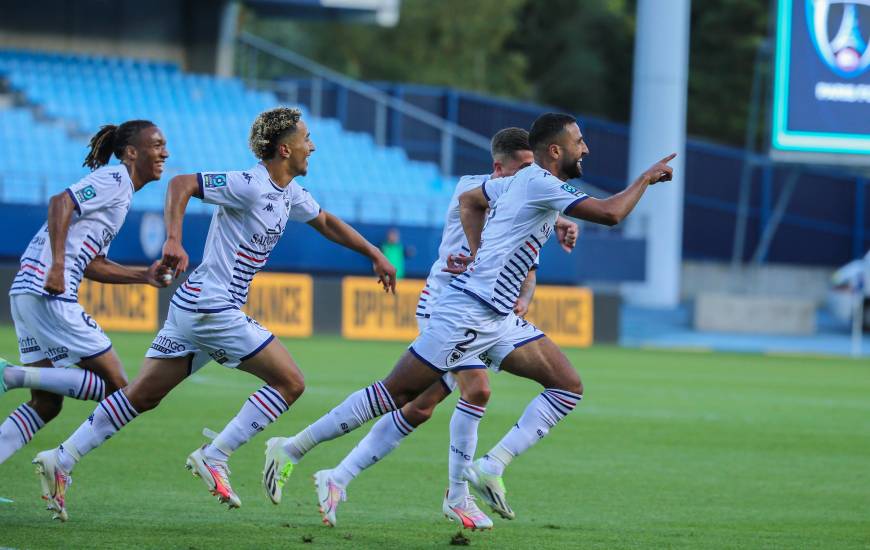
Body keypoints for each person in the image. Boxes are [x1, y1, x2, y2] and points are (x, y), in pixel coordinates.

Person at [31, 107, 396, 522]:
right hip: (212, 306)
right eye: (306, 139)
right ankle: (216, 455)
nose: (312, 146)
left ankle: (62, 458)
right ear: (283, 148)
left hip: (194, 308)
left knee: (142, 396)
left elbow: (326, 221)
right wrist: (174, 238)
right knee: (290, 382)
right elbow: (182, 183)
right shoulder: (250, 184)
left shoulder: (289, 193)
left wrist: (374, 254)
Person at [261, 121, 610, 530]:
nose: (532, 175)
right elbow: (497, 202)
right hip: (449, 305)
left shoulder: (528, 192)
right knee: (471, 390)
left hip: (491, 313)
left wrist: (559, 223)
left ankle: (338, 476)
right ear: (500, 168)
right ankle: (459, 495)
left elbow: (529, 261)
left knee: (420, 406)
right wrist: (559, 212)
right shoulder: (479, 187)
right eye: (523, 167)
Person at [452, 113, 675, 522]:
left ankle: (490, 466)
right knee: (405, 397)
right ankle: (311, 456)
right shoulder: (537, 180)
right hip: (470, 309)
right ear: (555, 151)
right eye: (579, 141)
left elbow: (472, 199)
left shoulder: (525, 182)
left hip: (494, 315)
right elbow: (610, 214)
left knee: (567, 387)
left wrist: (552, 224)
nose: (585, 148)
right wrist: (644, 178)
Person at [0, 120, 171, 468]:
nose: (164, 152)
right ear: (131, 152)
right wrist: (59, 266)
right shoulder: (114, 180)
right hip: (48, 291)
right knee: (120, 389)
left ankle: (17, 378)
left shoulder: (122, 196)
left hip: (28, 291)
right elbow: (61, 201)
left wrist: (143, 276)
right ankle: (12, 375)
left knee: (46, 404)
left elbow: (93, 263)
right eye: (156, 145)